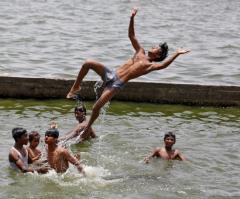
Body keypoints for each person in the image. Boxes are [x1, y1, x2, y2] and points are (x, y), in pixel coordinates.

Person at [66, 8, 190, 140]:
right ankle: (75, 87)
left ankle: (87, 128)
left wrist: (176, 53)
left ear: (157, 54)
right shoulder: (139, 51)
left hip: (116, 84)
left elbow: (164, 65)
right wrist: (132, 18)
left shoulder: (150, 65)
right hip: (111, 74)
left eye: (155, 48)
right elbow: (132, 36)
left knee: (97, 106)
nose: (153, 47)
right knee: (88, 63)